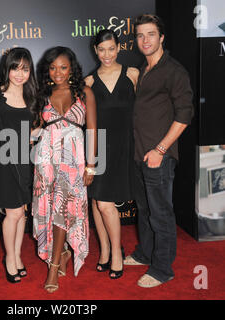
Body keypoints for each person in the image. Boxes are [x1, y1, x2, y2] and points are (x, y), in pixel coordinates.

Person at [124, 14, 194, 288]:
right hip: (139, 154)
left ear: (161, 37)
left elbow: (185, 115)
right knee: (144, 209)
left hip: (158, 157)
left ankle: (163, 268)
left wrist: (161, 150)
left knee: (161, 213)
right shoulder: (142, 69)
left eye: (151, 34)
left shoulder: (174, 71)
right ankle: (145, 253)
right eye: (140, 35)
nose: (145, 40)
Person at [32, 46, 97, 293]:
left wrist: (91, 166)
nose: (57, 72)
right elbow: (37, 128)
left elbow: (91, 129)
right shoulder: (43, 93)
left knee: (63, 209)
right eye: (53, 67)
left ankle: (54, 265)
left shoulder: (85, 92)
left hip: (73, 160)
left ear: (72, 69)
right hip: (47, 159)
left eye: (63, 67)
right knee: (51, 210)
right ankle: (63, 254)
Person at [0, 48, 38, 283]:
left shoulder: (33, 96)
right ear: (8, 68)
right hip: (3, 163)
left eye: (25, 68)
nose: (19, 73)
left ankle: (15, 256)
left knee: (22, 212)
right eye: (15, 67)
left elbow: (31, 132)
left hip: (25, 160)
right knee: (13, 213)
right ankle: (11, 259)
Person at [85, 29, 139, 279]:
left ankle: (116, 252)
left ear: (119, 48)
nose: (107, 54)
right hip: (100, 145)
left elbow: (144, 112)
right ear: (96, 51)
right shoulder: (89, 82)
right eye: (101, 49)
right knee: (98, 199)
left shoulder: (133, 74)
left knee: (104, 202)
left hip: (125, 145)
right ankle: (106, 250)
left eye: (111, 48)